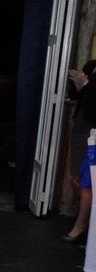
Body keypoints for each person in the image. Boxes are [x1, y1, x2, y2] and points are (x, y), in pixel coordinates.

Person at [63, 59, 96, 243]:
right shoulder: (91, 65)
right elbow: (77, 97)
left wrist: (85, 85)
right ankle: (87, 221)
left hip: (94, 131)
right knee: (76, 175)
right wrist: (76, 83)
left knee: (88, 181)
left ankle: (82, 225)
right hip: (81, 128)